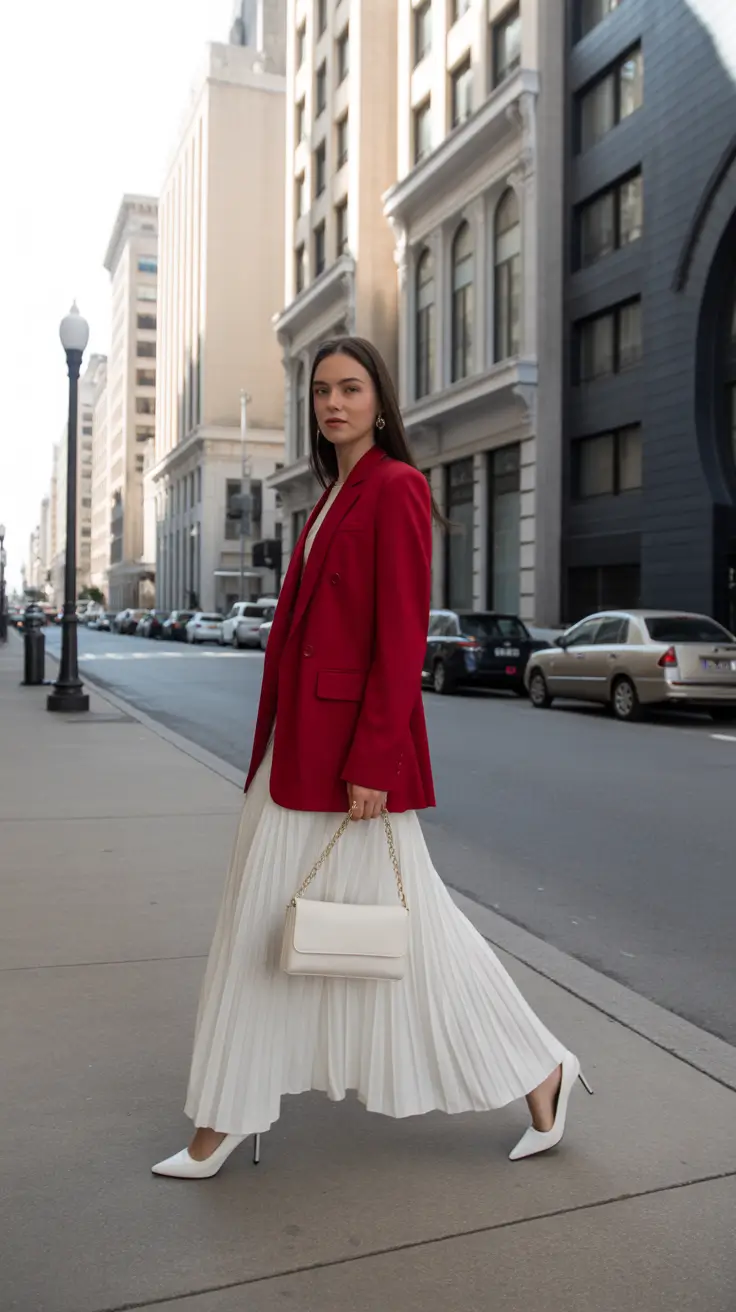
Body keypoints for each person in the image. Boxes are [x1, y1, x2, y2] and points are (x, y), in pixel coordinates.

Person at [152, 336, 592, 1180]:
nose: (333, 403)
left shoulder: (396, 488)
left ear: (380, 402)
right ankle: (541, 1071)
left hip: (345, 764)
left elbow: (398, 641)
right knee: (408, 932)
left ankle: (223, 1120)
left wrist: (374, 763)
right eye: (321, 391)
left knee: (266, 928)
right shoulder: (326, 500)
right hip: (297, 749)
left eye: (350, 389)